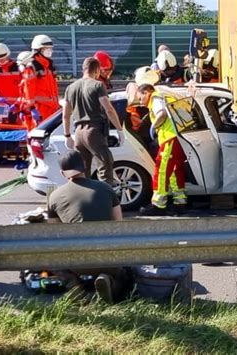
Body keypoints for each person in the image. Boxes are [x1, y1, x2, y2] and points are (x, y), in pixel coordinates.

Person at [47, 150, 130, 302]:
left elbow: (55, 233)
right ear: (84, 165)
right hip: (109, 260)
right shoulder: (106, 188)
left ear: (62, 173)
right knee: (124, 274)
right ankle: (109, 281)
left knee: (51, 257)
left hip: (76, 262)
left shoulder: (54, 196)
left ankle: (75, 288)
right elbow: (119, 226)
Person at [62, 57, 124, 187]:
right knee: (105, 166)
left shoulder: (71, 88)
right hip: (94, 132)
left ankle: (84, 201)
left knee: (82, 172)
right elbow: (109, 109)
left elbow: (66, 115)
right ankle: (106, 203)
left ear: (83, 69)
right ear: (97, 70)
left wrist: (67, 135)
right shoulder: (97, 85)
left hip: (78, 133)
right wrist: (119, 129)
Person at [137, 83, 187, 216]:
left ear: (147, 92)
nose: (140, 102)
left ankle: (158, 205)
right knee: (175, 172)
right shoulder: (164, 97)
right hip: (177, 138)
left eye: (140, 97)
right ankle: (179, 203)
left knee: (161, 171)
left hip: (169, 138)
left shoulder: (155, 98)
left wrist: (153, 126)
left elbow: (162, 114)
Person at [21, 34, 60, 128]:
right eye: (47, 48)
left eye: (50, 48)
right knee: (38, 139)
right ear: (38, 50)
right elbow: (28, 91)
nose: (50, 51)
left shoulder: (49, 66)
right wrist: (32, 108)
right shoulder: (32, 67)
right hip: (40, 111)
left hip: (52, 109)